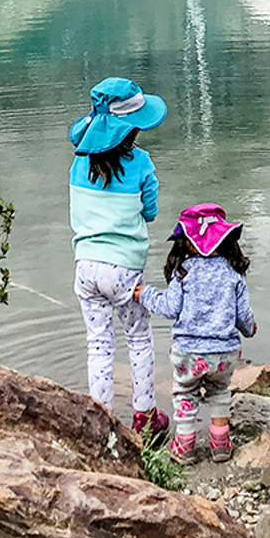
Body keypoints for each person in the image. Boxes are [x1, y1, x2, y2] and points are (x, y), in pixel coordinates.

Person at [69, 76, 170, 442]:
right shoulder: (141, 163)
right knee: (138, 338)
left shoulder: (78, 165)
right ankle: (145, 416)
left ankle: (103, 420)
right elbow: (150, 212)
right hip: (124, 270)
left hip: (85, 267)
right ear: (132, 129)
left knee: (98, 344)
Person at [133, 203, 256, 466]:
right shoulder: (233, 273)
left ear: (187, 242)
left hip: (189, 353)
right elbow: (243, 316)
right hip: (224, 353)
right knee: (220, 391)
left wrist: (145, 294)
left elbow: (169, 308)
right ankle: (220, 444)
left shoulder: (183, 272)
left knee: (185, 393)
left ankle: (185, 445)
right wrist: (250, 329)